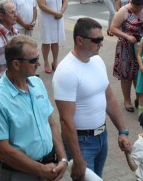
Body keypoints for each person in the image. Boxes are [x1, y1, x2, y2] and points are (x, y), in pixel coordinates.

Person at [53, 17, 132, 179]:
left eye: (102, 39)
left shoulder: (97, 61)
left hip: (102, 137)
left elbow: (109, 99)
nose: (101, 44)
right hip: (82, 143)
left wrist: (122, 131)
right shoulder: (66, 72)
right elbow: (66, 121)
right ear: (79, 40)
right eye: (97, 40)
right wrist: (77, 158)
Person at [0, 35, 68, 180]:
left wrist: (63, 159)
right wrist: (40, 170)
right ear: (16, 64)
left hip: (49, 168)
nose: (39, 63)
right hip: (19, 175)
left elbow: (51, 123)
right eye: (34, 60)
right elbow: (3, 151)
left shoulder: (37, 84)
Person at [111, 0, 143, 111]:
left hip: (142, 47)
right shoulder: (123, 11)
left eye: (141, 7)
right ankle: (127, 100)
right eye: (136, 7)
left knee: (140, 74)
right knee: (127, 75)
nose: (139, 9)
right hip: (127, 47)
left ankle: (139, 99)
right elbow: (112, 28)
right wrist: (127, 36)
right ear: (131, 3)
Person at [35, 0, 68, 74]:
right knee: (46, 41)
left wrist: (61, 12)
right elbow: (42, 5)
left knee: (55, 41)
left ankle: (55, 61)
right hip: (47, 19)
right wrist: (55, 13)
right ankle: (46, 62)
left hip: (58, 18)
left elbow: (65, 1)